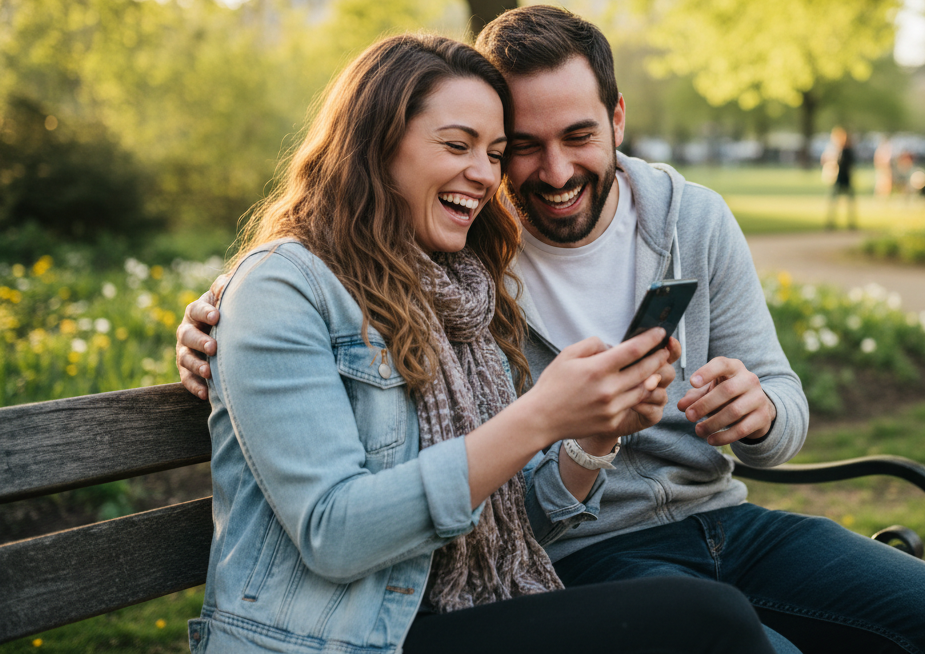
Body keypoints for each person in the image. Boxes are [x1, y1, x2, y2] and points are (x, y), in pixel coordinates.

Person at [179, 8, 925, 654]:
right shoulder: (473, 251)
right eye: (514, 149)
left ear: (616, 116)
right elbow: (318, 274)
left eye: (574, 137)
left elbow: (778, 406)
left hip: (717, 515)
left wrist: (754, 415)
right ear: (381, 144)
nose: (551, 171)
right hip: (579, 554)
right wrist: (227, 302)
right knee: (735, 635)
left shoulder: (673, 222)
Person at [188, 33, 777, 654]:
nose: (484, 174)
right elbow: (335, 534)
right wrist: (539, 415)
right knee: (706, 621)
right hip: (336, 636)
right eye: (457, 145)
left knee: (713, 620)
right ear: (374, 147)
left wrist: (595, 434)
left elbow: (515, 521)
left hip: (456, 609)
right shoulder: (283, 287)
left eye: (495, 152)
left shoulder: (458, 292)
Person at [821, 126, 856, 230]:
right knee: (835, 202)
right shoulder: (839, 150)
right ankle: (831, 222)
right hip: (839, 179)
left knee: (846, 202)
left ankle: (849, 223)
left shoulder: (847, 151)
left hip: (844, 179)